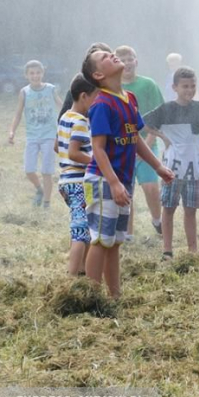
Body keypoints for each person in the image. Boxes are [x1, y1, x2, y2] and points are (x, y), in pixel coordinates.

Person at [80, 44, 173, 298]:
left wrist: (158, 166)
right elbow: (98, 149)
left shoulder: (129, 99)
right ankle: (92, 298)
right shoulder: (101, 104)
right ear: (98, 75)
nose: (111, 55)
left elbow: (137, 138)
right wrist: (114, 183)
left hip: (120, 181)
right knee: (100, 239)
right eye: (104, 57)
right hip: (103, 181)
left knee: (115, 241)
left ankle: (115, 296)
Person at [143, 66, 199, 259]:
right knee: (168, 208)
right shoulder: (166, 109)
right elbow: (142, 122)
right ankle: (167, 250)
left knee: (191, 209)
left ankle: (192, 250)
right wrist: (162, 136)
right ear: (175, 87)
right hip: (172, 167)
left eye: (192, 86)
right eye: (185, 86)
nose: (189, 90)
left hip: (194, 167)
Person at [115, 45, 165, 238]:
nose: (127, 63)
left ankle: (158, 221)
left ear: (136, 61)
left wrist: (147, 147)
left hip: (147, 145)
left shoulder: (148, 84)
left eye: (130, 59)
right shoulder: (112, 87)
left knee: (151, 187)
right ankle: (128, 233)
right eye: (122, 60)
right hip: (121, 148)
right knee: (126, 192)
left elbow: (158, 117)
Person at [57, 74, 99, 275]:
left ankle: (82, 269)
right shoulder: (81, 121)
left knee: (86, 227)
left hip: (66, 181)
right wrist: (97, 161)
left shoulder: (65, 116)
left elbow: (58, 147)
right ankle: (72, 277)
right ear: (84, 96)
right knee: (81, 231)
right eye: (96, 97)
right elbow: (74, 153)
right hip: (79, 182)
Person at [8, 60, 63, 208]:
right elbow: (18, 114)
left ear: (42, 73)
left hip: (49, 136)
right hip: (32, 136)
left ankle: (46, 203)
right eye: (32, 73)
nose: (35, 75)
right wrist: (12, 131)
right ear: (26, 75)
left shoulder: (50, 89)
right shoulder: (24, 92)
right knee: (29, 170)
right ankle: (39, 189)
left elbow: (62, 106)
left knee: (47, 171)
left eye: (38, 72)